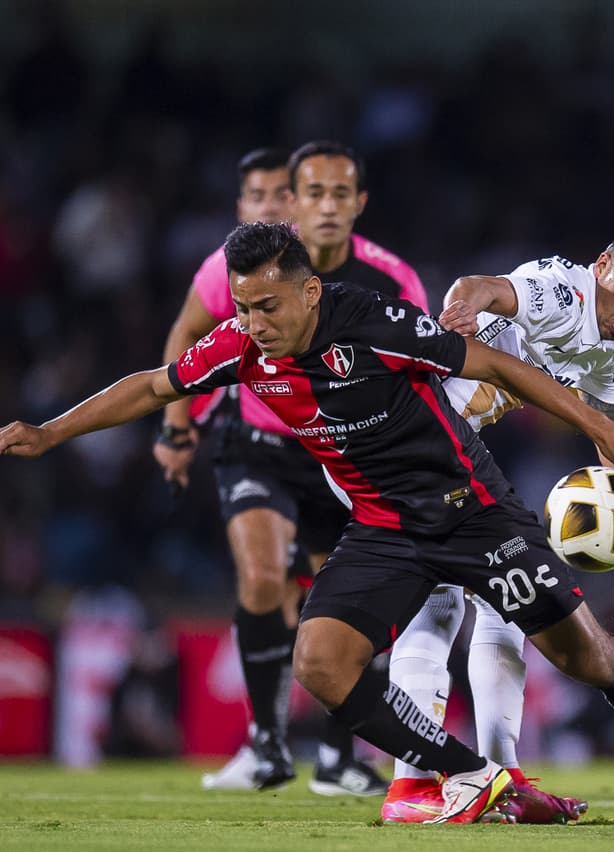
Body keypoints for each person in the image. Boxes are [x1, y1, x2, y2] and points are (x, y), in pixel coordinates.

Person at [0, 222, 614, 823]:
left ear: (309, 293)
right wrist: (50, 432)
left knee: (585, 657)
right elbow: (153, 385)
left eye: (267, 307)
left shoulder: (374, 323)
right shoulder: (240, 346)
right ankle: (468, 776)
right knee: (321, 661)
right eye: (243, 307)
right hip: (383, 524)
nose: (253, 324)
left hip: (469, 508)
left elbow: (495, 363)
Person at [380, 213, 614, 824]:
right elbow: (480, 286)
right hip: (414, 446)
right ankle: (423, 784)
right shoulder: (560, 292)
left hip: (429, 452)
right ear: (603, 265)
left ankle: (490, 778)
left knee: (495, 603)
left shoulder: (605, 346)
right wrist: (459, 312)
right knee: (453, 600)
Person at [154, 141, 425, 796]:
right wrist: (177, 428)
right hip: (259, 445)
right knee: (262, 576)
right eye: (310, 194)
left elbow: (422, 373)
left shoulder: (392, 278)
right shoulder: (239, 264)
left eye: (338, 194)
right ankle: (266, 746)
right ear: (294, 202)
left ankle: (338, 758)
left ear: (358, 203)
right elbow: (187, 332)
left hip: (345, 454)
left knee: (348, 603)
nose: (322, 207)